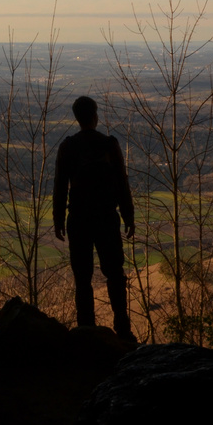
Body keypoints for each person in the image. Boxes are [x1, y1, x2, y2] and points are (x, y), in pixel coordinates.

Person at [53, 95, 136, 341]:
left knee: (82, 278)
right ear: (95, 115)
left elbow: (60, 186)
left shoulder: (68, 146)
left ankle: (86, 331)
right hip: (106, 218)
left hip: (78, 219)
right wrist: (128, 216)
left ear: (77, 118)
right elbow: (122, 184)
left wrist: (58, 220)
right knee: (114, 273)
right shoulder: (109, 145)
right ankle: (123, 329)